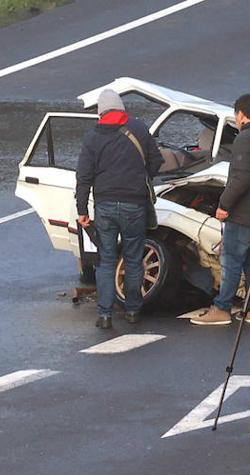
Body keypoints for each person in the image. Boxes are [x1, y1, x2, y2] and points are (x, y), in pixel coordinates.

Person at [191, 94, 250, 326]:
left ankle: (221, 308)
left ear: (241, 114)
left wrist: (224, 205)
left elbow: (241, 178)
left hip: (243, 212)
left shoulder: (246, 139)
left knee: (231, 260)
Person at [76, 89, 163, 329]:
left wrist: (82, 209)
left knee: (106, 260)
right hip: (134, 204)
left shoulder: (93, 136)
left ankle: (105, 315)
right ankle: (133, 310)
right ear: (122, 109)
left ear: (101, 112)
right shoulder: (139, 128)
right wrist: (140, 177)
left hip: (104, 206)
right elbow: (156, 161)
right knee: (134, 258)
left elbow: (83, 176)